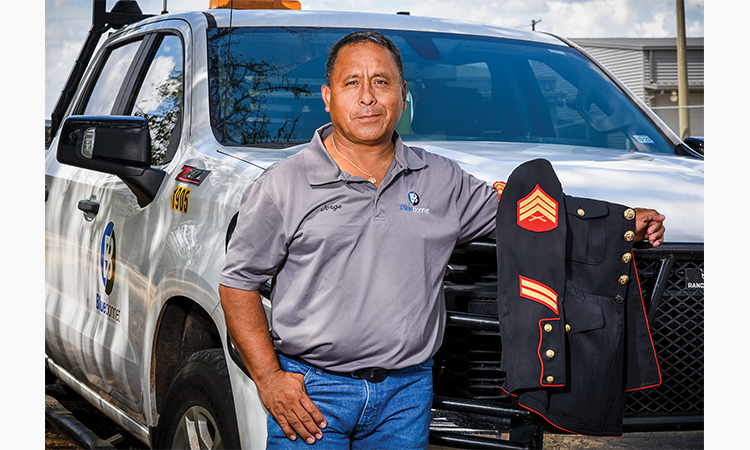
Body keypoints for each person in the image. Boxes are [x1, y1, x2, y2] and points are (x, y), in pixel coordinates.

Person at [219, 30, 666, 449]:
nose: (368, 96)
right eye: (352, 82)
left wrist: (623, 221)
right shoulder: (282, 185)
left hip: (406, 395)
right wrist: (269, 378)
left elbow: (529, 214)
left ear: (402, 95)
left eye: (382, 82)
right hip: (314, 391)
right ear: (328, 97)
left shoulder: (441, 179)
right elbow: (238, 283)